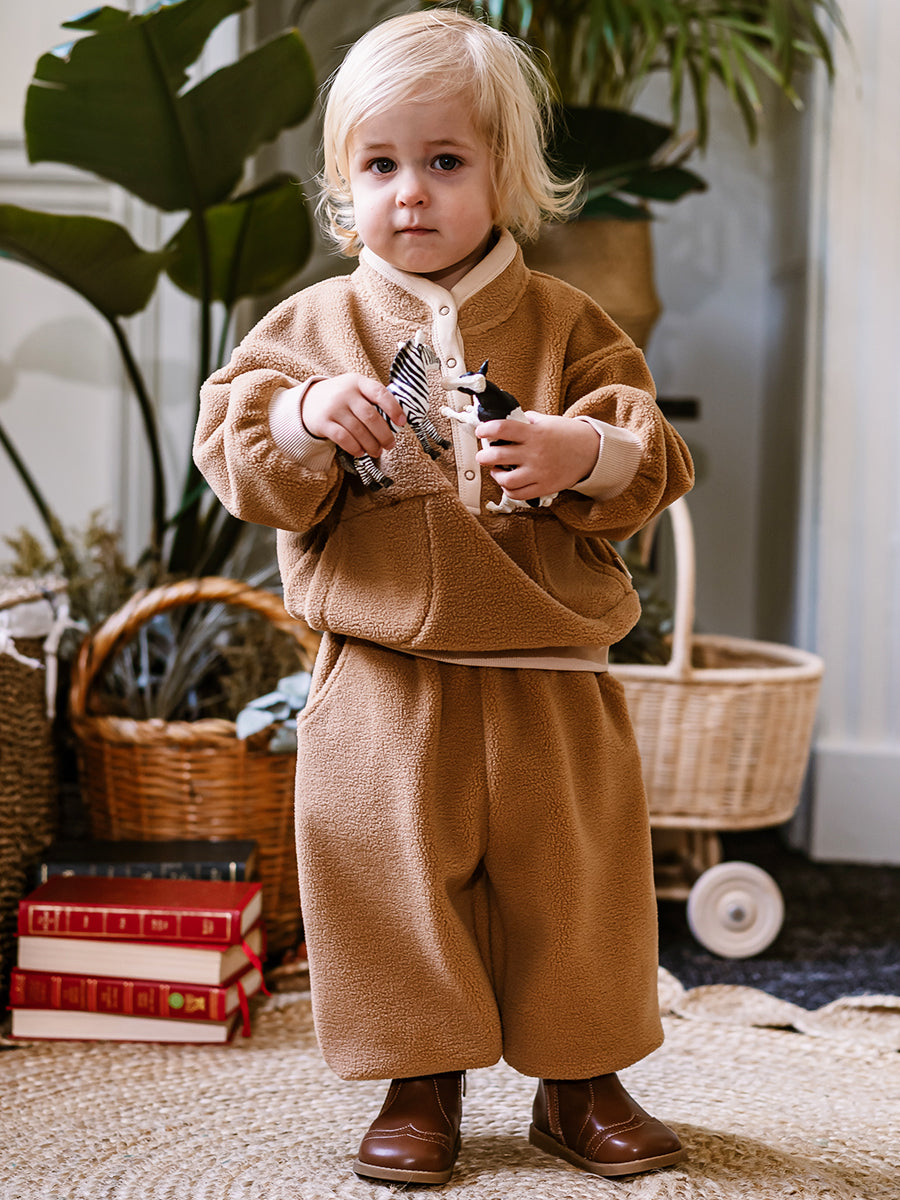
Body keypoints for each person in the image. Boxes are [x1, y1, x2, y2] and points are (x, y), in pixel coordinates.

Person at [194, 7, 693, 1187]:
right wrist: (301, 416)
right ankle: (420, 1081)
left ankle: (582, 1080)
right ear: (344, 184)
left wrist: (581, 451)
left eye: (445, 161)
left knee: (575, 886)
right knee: (389, 882)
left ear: (506, 177)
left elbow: (650, 454)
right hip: (383, 679)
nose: (410, 191)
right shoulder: (309, 329)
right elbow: (237, 449)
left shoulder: (569, 323)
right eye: (379, 165)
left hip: (545, 676)